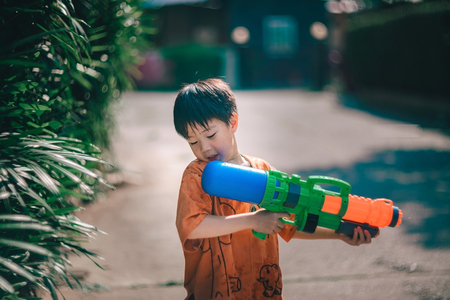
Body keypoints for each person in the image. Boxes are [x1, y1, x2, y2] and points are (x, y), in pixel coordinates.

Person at [173, 78, 377, 300]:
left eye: (210, 135)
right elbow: (192, 227)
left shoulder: (264, 172)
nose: (204, 148)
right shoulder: (197, 176)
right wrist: (253, 221)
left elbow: (290, 224)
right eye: (193, 142)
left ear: (232, 123)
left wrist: (339, 233)